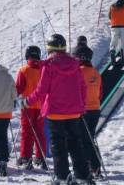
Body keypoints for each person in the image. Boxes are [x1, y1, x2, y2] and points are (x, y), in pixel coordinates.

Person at [21, 34, 95, 185]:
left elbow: (41, 90)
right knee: (76, 143)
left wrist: (28, 101)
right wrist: (81, 105)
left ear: (50, 49)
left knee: (58, 145)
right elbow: (82, 87)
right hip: (74, 112)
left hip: (56, 113)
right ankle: (82, 175)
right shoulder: (75, 65)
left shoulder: (49, 65)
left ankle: (62, 176)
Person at [15, 46, 47, 170]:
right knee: (40, 132)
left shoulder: (24, 70)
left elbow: (18, 88)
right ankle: (41, 157)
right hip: (41, 107)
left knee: (27, 132)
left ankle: (26, 157)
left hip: (27, 106)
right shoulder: (44, 69)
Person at [75, 46, 102, 179]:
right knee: (90, 138)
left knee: (84, 140)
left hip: (83, 110)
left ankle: (93, 166)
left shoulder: (78, 72)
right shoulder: (96, 73)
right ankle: (94, 165)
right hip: (95, 109)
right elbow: (101, 93)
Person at [108, 0, 124, 65]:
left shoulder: (112, 7)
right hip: (123, 26)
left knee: (114, 41)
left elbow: (109, 16)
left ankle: (112, 51)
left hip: (114, 26)